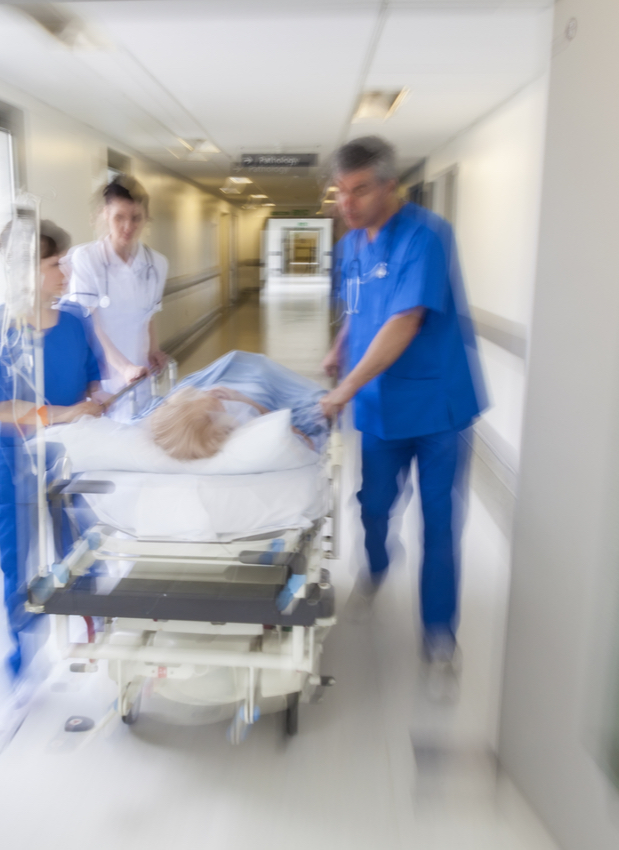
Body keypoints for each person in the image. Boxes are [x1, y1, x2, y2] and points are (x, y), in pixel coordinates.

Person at [319, 136, 486, 670]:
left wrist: (344, 388)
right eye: (340, 192)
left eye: (360, 190)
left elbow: (404, 320)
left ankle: (440, 638)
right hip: (380, 407)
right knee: (371, 505)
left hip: (437, 407)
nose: (347, 203)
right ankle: (377, 565)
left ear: (392, 186)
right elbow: (360, 309)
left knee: (439, 524)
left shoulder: (428, 236)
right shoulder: (348, 247)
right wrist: (339, 349)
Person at [0, 219, 106, 680]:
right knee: (18, 558)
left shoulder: (74, 323)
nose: (64, 272)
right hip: (15, 465)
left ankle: (95, 622)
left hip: (70, 458)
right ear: (25, 272)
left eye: (63, 261)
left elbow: (92, 378)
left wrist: (95, 402)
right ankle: (20, 642)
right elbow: (5, 409)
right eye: (54, 264)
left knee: (82, 543)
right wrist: (64, 414)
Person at [63, 175, 169, 419]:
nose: (128, 227)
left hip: (139, 374)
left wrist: (154, 349)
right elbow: (91, 325)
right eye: (119, 217)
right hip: (100, 380)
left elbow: (148, 315)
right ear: (105, 214)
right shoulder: (87, 259)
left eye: (136, 218)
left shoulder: (157, 264)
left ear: (146, 218)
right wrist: (124, 368)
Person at [144, 350, 328, 460]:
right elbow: (306, 444)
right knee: (257, 368)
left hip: (220, 383)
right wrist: (242, 399)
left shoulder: (173, 425)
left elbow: (179, 403)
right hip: (251, 388)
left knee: (235, 360)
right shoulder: (240, 421)